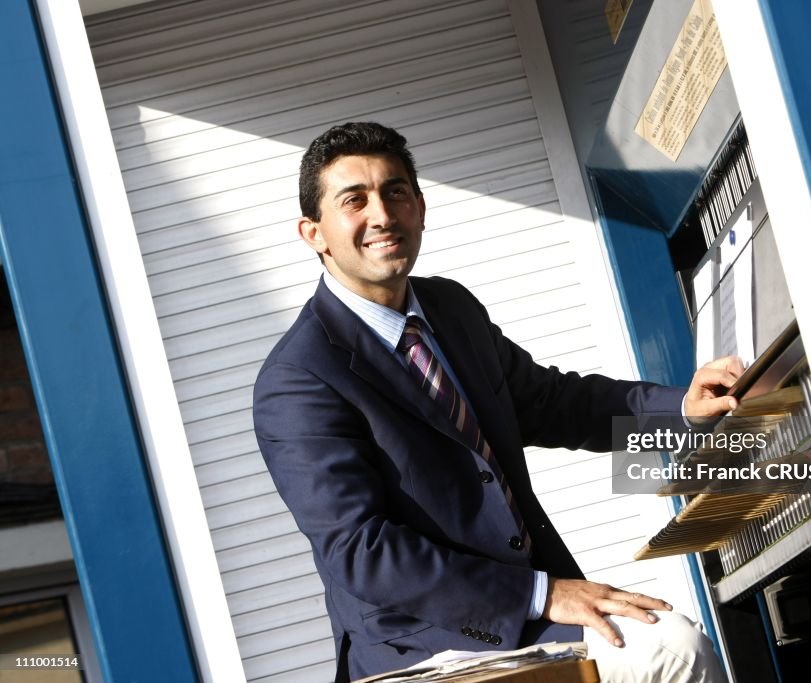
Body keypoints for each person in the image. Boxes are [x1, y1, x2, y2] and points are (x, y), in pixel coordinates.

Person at [253, 122, 741, 682]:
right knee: (670, 650)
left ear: (420, 207)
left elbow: (552, 402)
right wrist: (541, 593)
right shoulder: (300, 377)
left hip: (523, 610)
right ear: (313, 232)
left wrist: (681, 407)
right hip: (421, 642)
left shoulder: (450, 308)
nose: (382, 215)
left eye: (395, 192)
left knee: (666, 638)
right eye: (354, 201)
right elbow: (362, 550)